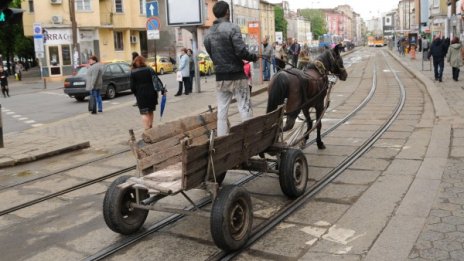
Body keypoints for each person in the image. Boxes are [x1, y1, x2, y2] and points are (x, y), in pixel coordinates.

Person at [204, 1, 258, 137]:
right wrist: (253, 57)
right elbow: (241, 51)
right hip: (237, 76)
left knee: (222, 111)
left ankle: (222, 140)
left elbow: (211, 54)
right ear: (227, 12)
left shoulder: (208, 33)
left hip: (220, 78)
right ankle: (249, 139)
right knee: (244, 107)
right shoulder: (233, 28)